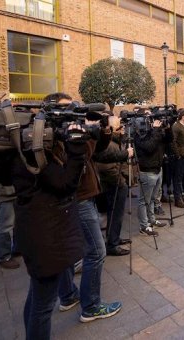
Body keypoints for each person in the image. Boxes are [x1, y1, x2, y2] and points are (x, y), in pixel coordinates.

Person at [43, 93, 122, 324]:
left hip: (78, 196)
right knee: (96, 251)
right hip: (78, 197)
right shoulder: (51, 135)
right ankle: (91, 306)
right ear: (51, 111)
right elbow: (79, 156)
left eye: (74, 108)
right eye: (67, 109)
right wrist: (84, 132)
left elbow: (97, 150)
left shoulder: (66, 128)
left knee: (68, 249)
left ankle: (68, 296)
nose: (73, 112)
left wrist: (104, 130)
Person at [11, 118, 88, 339]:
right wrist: (76, 151)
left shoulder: (23, 154)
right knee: (43, 306)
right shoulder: (36, 158)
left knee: (36, 297)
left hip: (39, 232)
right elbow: (65, 184)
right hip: (45, 236)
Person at [93, 116, 136, 256]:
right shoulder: (107, 144)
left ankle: (114, 238)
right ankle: (112, 244)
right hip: (114, 184)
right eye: (119, 126)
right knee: (115, 214)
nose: (122, 128)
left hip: (116, 182)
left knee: (116, 214)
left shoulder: (116, 141)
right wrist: (121, 181)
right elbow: (106, 167)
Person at [135, 117, 166, 237]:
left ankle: (152, 220)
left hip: (158, 169)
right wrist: (156, 131)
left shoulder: (152, 133)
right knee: (144, 201)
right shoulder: (138, 137)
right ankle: (144, 225)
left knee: (153, 198)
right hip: (147, 172)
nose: (149, 123)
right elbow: (149, 147)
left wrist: (166, 129)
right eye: (146, 122)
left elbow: (167, 141)